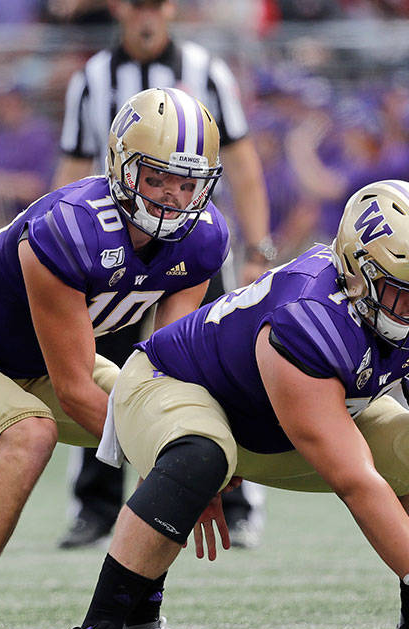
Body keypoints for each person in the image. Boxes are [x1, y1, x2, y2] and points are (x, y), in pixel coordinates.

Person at [58, 180, 409, 629]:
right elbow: (355, 480)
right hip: (168, 384)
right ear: (359, 273)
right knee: (200, 454)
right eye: (403, 291)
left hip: (272, 422)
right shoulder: (307, 317)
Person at [0, 87, 229, 629]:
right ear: (123, 168)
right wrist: (169, 464)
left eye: (187, 183)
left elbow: (170, 368)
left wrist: (188, 455)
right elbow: (73, 390)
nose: (174, 198)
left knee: (179, 429)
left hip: (41, 359)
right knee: (33, 435)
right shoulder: (69, 228)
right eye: (158, 179)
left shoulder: (202, 240)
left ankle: (139, 626)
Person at [53, 0, 273, 550]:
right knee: (101, 365)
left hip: (195, 248)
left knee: (216, 368)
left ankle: (238, 498)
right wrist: (61, 250)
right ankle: (97, 502)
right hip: (116, 249)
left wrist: (259, 247)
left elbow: (242, 160)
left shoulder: (207, 70)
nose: (146, 14)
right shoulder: (92, 79)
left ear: (170, 7)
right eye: (135, 3)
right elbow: (73, 169)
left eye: (154, 3)